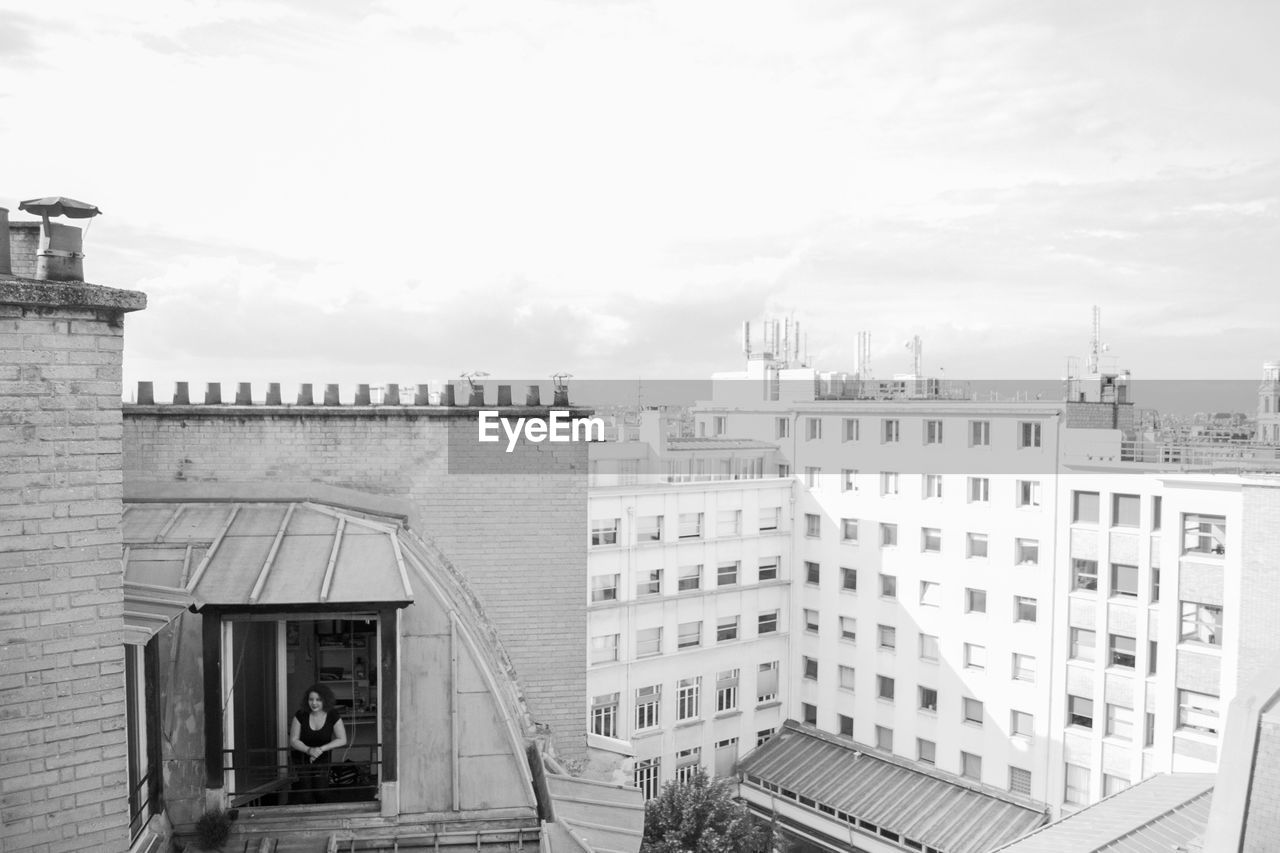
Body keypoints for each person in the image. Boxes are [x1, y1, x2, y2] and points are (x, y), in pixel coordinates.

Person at [288, 683, 347, 804]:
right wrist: (310, 750)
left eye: (318, 700)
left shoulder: (332, 714)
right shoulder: (300, 714)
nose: (314, 703)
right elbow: (293, 740)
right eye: (311, 699)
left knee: (321, 791)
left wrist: (320, 749)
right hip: (302, 757)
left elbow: (342, 739)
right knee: (305, 793)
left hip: (322, 756)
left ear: (325, 700)